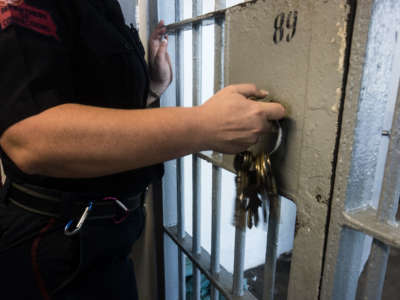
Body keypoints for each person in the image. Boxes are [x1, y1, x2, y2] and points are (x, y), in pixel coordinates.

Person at [0, 0, 286, 299]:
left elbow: (96, 107)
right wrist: (203, 126)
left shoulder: (106, 8)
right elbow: (29, 139)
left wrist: (152, 87)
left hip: (107, 235)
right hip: (56, 244)